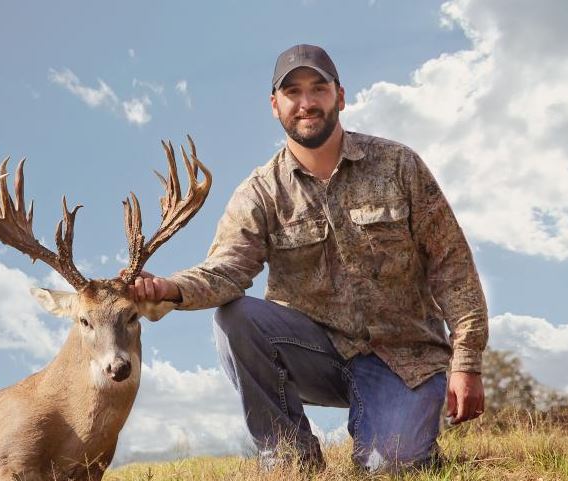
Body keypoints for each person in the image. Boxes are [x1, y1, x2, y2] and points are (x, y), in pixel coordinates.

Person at [126, 44, 488, 472]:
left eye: (319, 88)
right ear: (274, 104)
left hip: (403, 357)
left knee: (391, 467)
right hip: (317, 352)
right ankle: (289, 456)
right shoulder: (260, 192)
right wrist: (170, 288)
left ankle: (402, 437)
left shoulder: (398, 165)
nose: (306, 102)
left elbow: (453, 266)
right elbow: (227, 269)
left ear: (341, 95)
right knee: (235, 319)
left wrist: (467, 363)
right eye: (293, 92)